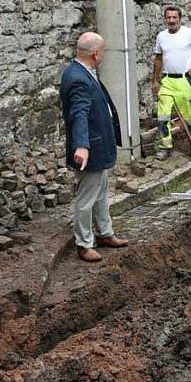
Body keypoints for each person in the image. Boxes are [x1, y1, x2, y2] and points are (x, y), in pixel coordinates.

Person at [60, 32, 129, 262]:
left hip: (98, 147)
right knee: (87, 198)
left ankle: (105, 233)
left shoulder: (83, 71)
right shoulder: (78, 78)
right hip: (91, 148)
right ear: (96, 53)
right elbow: (78, 113)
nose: (104, 55)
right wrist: (82, 146)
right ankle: (83, 244)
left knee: (100, 194)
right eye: (104, 51)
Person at [153, 6, 191, 159]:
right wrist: (155, 80)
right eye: (169, 18)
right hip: (167, 80)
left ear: (180, 19)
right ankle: (165, 147)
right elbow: (158, 59)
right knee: (163, 117)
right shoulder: (161, 37)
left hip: (184, 80)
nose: (172, 20)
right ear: (165, 19)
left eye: (175, 17)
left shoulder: (189, 34)